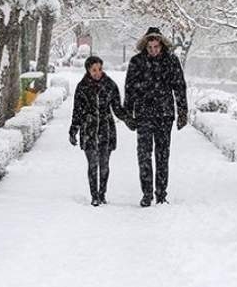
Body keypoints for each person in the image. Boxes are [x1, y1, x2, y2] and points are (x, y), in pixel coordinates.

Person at [124, 27, 188, 207]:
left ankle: (161, 194)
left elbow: (179, 87)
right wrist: (128, 113)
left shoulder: (171, 61)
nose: (153, 50)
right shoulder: (137, 62)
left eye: (156, 46)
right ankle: (146, 193)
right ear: (145, 45)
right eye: (150, 47)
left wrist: (182, 111)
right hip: (144, 114)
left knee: (162, 155)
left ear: (162, 45)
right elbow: (130, 89)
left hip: (164, 114)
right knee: (144, 155)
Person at [69, 56, 127, 206]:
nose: (97, 72)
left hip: (106, 129)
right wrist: (73, 130)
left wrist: (131, 120)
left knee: (105, 164)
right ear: (88, 70)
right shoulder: (82, 87)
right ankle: (94, 195)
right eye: (93, 70)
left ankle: (102, 194)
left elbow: (117, 109)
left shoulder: (110, 85)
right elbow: (77, 111)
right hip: (89, 129)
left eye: (99, 69)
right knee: (93, 164)